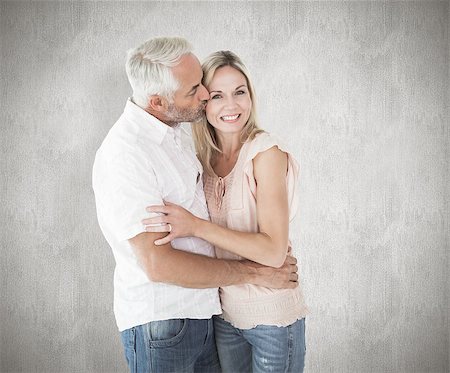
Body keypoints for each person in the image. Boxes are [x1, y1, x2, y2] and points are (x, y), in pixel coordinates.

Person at [92, 37, 299, 373]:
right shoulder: (126, 154)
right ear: (157, 101)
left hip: (206, 316)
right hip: (163, 324)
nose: (204, 95)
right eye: (196, 90)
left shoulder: (175, 134)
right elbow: (158, 264)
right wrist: (258, 273)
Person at [142, 50, 309, 372]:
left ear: (250, 96)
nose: (231, 106)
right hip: (223, 315)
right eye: (218, 96)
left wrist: (196, 226)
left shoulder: (266, 153)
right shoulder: (202, 160)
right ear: (204, 102)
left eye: (239, 92)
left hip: (272, 315)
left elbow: (274, 252)